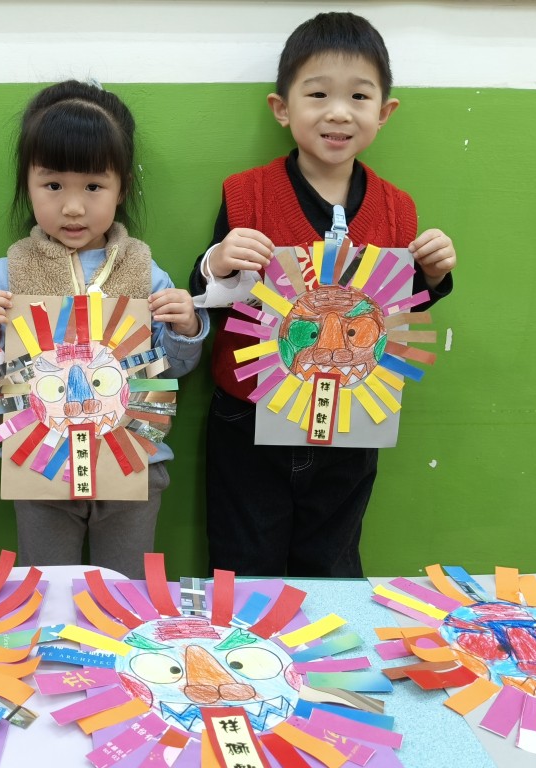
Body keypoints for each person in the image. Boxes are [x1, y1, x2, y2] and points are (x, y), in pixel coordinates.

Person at [190, 12, 456, 578]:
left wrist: (431, 276)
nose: (338, 112)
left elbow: (395, 313)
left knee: (332, 565)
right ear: (281, 108)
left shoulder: (397, 209)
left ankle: (331, 637)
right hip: (249, 416)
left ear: (384, 112)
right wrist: (218, 260)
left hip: (352, 420)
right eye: (317, 94)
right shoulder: (246, 195)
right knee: (245, 564)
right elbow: (207, 294)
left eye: (359, 96)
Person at [0, 80, 208, 579]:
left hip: (133, 465)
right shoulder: (7, 273)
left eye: (93, 187)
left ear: (121, 189)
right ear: (27, 186)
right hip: (38, 465)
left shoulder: (145, 271)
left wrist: (186, 326)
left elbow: (174, 370)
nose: (72, 207)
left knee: (126, 591)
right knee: (46, 589)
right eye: (53, 185)